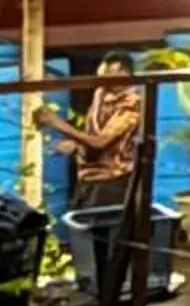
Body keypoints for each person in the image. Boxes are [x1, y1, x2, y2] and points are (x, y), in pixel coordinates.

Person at [36, 54, 146, 213]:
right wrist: (77, 145)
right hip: (87, 177)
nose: (103, 82)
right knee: (80, 226)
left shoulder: (131, 105)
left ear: (124, 74)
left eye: (108, 77)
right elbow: (93, 131)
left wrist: (57, 123)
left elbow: (101, 141)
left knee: (95, 231)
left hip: (111, 180)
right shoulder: (101, 92)